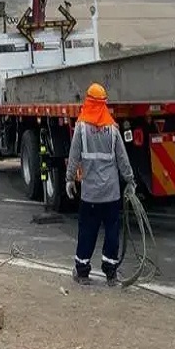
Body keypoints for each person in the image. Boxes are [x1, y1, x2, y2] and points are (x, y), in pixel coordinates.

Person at [65, 83, 136, 287]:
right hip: (111, 193)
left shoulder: (81, 128)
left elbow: (74, 155)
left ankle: (82, 272)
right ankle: (111, 274)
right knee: (112, 233)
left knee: (87, 231)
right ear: (104, 104)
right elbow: (122, 159)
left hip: (91, 194)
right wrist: (130, 180)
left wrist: (70, 179)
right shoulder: (112, 129)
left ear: (88, 102)